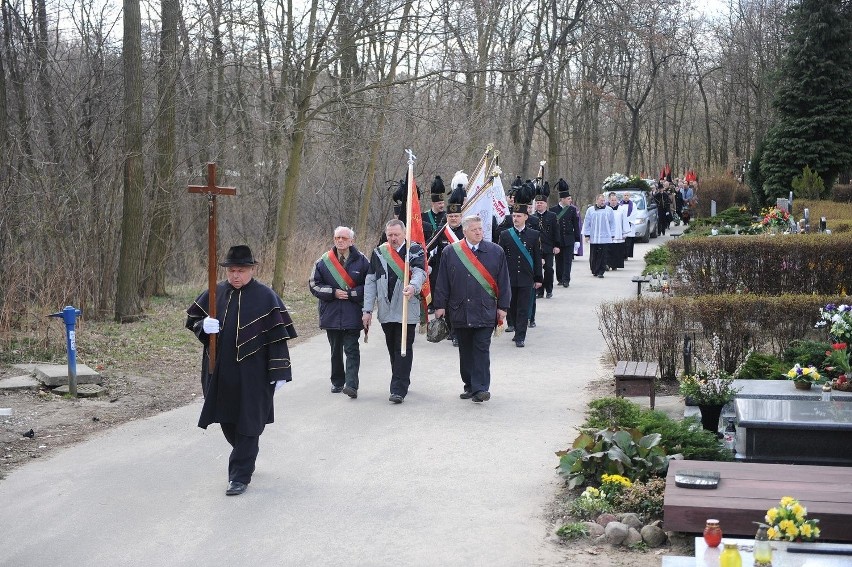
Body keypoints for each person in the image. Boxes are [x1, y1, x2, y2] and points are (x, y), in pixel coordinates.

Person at [186, 245, 297, 496]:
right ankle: (246, 454)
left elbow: (278, 339)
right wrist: (203, 326)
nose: (236, 275)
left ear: (252, 269)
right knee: (227, 419)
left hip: (254, 374)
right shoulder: (215, 293)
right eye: (232, 270)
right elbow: (192, 321)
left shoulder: (266, 297)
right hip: (220, 371)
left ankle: (239, 475)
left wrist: (279, 371)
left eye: (241, 270)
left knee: (249, 422)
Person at [433, 215, 510, 401]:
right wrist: (439, 306)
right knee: (465, 350)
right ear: (465, 231)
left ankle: (481, 388)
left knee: (482, 348)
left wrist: (503, 306)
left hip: (485, 309)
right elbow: (442, 281)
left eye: (480, 229)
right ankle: (469, 385)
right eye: (474, 229)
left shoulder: (495, 251)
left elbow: (504, 281)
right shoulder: (451, 252)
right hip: (460, 310)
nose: (478, 232)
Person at [362, 219, 427, 403]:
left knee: (403, 347)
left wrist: (413, 287)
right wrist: (367, 309)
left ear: (404, 234)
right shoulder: (379, 252)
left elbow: (420, 273)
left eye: (396, 235)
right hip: (386, 309)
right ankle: (400, 378)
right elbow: (370, 281)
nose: (393, 238)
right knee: (392, 347)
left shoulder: (414, 250)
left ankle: (398, 388)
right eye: (389, 235)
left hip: (407, 308)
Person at [309, 226, 370, 398]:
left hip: (353, 313)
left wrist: (353, 294)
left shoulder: (362, 260)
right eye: (337, 238)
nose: (340, 241)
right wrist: (333, 292)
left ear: (352, 240)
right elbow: (314, 284)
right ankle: (337, 382)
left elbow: (370, 285)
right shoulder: (323, 261)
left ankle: (351, 385)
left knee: (352, 350)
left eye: (344, 238)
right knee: (335, 350)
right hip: (331, 313)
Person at [498, 202, 542, 347]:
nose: (515, 218)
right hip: (509, 277)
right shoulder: (505, 235)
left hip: (526, 277)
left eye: (518, 216)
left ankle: (520, 336)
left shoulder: (534, 235)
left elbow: (536, 257)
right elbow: (500, 258)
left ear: (526, 217)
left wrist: (538, 278)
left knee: (523, 308)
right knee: (512, 307)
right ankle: (517, 330)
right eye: (514, 215)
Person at [432, 183, 466, 346]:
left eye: (456, 216)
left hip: (463, 273)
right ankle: (451, 331)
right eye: (450, 216)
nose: (453, 219)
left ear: (461, 217)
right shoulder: (441, 231)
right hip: (444, 272)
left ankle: (458, 333)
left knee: (459, 304)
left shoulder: (466, 232)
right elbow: (428, 247)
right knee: (447, 303)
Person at [550, 179, 580, 287]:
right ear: (562, 199)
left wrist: (577, 240)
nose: (570, 201)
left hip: (569, 239)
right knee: (558, 260)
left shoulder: (572, 210)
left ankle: (566, 279)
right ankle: (560, 278)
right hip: (558, 239)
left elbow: (576, 225)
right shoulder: (553, 210)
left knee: (567, 260)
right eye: (568, 199)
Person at [532, 185, 559, 299]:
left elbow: (556, 231)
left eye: (541, 203)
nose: (539, 205)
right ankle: (539, 291)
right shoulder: (532, 217)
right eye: (537, 203)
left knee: (548, 269)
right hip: (536, 248)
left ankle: (549, 289)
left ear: (546, 204)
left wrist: (557, 245)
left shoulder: (552, 216)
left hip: (548, 247)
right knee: (537, 270)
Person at [582, 194, 616, 278]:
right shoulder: (590, 210)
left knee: (603, 254)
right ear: (596, 200)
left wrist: (612, 234)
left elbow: (612, 223)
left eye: (604, 201)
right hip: (594, 235)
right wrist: (587, 234)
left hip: (605, 236)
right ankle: (594, 269)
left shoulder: (609, 210)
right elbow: (587, 222)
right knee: (594, 254)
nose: (603, 202)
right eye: (601, 200)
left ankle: (601, 271)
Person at [607, 192, 630, 270]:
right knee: (609, 250)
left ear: (617, 201)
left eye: (615, 200)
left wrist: (625, 233)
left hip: (618, 233)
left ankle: (615, 265)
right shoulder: (606, 209)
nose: (613, 201)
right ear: (609, 200)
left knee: (617, 250)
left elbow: (625, 221)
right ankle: (608, 264)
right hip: (609, 234)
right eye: (612, 200)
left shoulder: (621, 209)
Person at [620, 192, 636, 258]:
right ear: (623, 196)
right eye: (625, 195)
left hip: (630, 223)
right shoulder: (620, 205)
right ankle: (622, 254)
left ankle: (627, 254)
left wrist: (627, 221)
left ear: (629, 196)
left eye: (627, 195)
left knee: (628, 241)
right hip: (621, 225)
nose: (626, 196)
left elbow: (634, 214)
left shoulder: (633, 205)